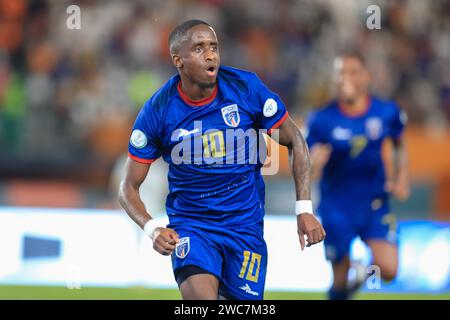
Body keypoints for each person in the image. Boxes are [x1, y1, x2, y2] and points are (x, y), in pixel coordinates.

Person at [118, 19, 325, 300]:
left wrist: (303, 208)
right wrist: (152, 227)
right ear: (178, 60)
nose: (211, 54)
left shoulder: (245, 88)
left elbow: (295, 141)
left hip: (245, 227)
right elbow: (127, 187)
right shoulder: (158, 110)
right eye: (199, 49)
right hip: (193, 225)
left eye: (213, 47)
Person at [305, 52, 410, 300]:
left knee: (389, 269)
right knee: (339, 282)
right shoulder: (321, 119)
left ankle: (362, 271)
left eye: (352, 72)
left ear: (365, 77)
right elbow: (305, 163)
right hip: (336, 207)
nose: (345, 78)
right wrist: (314, 163)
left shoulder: (386, 112)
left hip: (374, 202)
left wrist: (401, 176)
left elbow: (398, 143)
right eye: (340, 73)